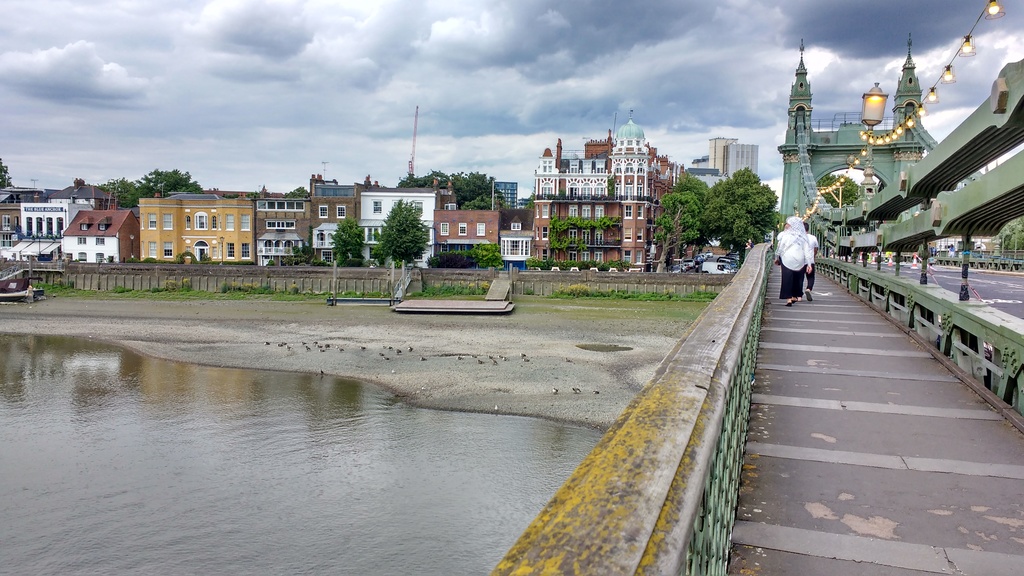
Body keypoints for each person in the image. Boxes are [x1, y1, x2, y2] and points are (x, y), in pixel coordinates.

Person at [775, 216, 814, 307]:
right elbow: (807, 251)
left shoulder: (786, 235)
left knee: (787, 278)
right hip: (799, 259)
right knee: (797, 278)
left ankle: (788, 298)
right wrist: (809, 264)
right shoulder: (803, 237)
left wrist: (777, 258)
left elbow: (780, 248)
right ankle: (794, 295)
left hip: (787, 258)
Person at [803, 221, 818, 301]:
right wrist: (813, 256)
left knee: (799, 278)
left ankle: (798, 295)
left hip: (800, 261)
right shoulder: (813, 237)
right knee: (811, 277)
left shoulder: (799, 237)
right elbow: (815, 249)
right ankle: (808, 289)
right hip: (810, 260)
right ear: (808, 229)